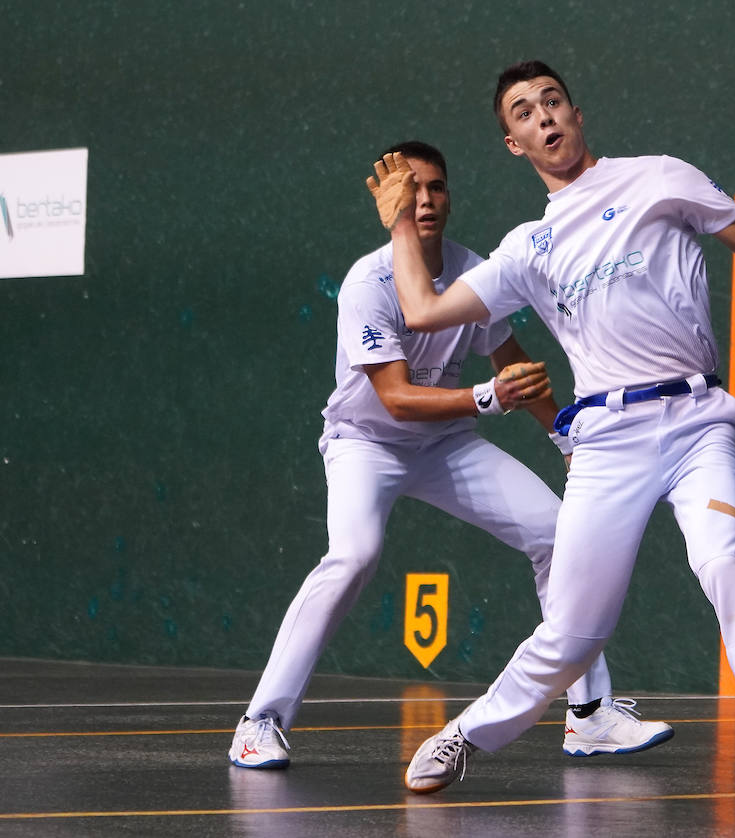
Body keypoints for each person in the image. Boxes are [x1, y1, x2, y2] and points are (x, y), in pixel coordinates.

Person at [369, 64, 735, 816]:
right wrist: (400, 223)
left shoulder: (660, 178)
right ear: (513, 142)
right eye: (525, 113)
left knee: (727, 568)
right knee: (574, 628)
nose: (544, 119)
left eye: (552, 103)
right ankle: (467, 734)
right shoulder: (527, 248)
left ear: (577, 113)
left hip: (694, 423)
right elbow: (423, 309)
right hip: (607, 439)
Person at [228, 140, 673, 771]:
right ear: (390, 203)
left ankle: (589, 715)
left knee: (557, 532)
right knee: (352, 555)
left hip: (444, 445)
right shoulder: (368, 282)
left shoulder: (471, 270)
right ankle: (260, 721)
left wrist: (565, 437)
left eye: (436, 187)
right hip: (367, 443)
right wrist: (488, 398)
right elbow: (396, 399)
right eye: (412, 190)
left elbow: (510, 360)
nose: (426, 199)